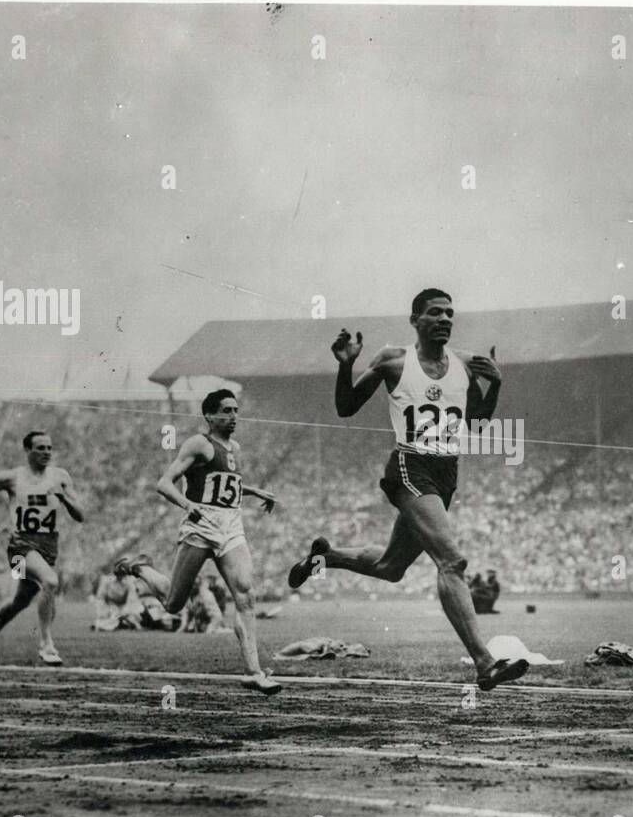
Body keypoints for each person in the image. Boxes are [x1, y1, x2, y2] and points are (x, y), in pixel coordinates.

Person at [285, 288, 528, 691]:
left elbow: (479, 425)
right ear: (415, 320)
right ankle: (485, 663)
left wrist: (496, 386)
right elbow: (345, 407)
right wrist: (346, 366)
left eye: (450, 313)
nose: (445, 319)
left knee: (390, 568)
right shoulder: (393, 360)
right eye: (435, 313)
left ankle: (324, 558)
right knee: (452, 561)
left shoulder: (466, 364)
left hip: (446, 472)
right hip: (409, 464)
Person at [114, 388, 281, 695]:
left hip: (231, 526)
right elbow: (163, 483)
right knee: (174, 603)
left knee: (246, 594)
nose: (233, 416)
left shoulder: (236, 448)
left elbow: (224, 486)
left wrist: (256, 492)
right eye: (226, 411)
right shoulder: (198, 444)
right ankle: (140, 568)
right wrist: (186, 505)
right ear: (209, 415)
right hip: (200, 525)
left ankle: (253, 671)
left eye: (236, 410)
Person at [0, 430, 84, 666]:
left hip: (48, 545)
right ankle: (46, 644)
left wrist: (64, 498)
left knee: (21, 600)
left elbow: (80, 514)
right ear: (27, 450)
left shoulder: (60, 477)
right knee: (50, 582)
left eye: (49, 448)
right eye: (40, 448)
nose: (46, 452)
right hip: (20, 546)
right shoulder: (12, 477)